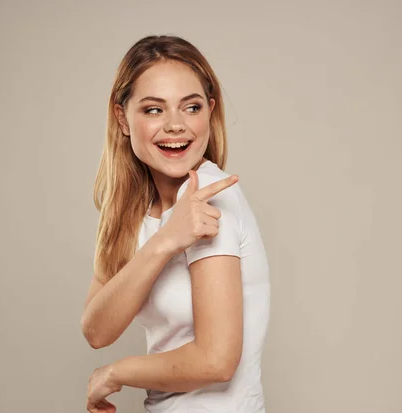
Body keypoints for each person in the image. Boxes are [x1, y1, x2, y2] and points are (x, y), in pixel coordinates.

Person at [80, 35, 271, 413]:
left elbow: (216, 360)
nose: (175, 125)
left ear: (209, 112)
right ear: (122, 118)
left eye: (191, 107)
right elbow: (97, 329)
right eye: (153, 110)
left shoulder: (211, 195)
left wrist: (116, 373)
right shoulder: (135, 211)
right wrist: (165, 241)